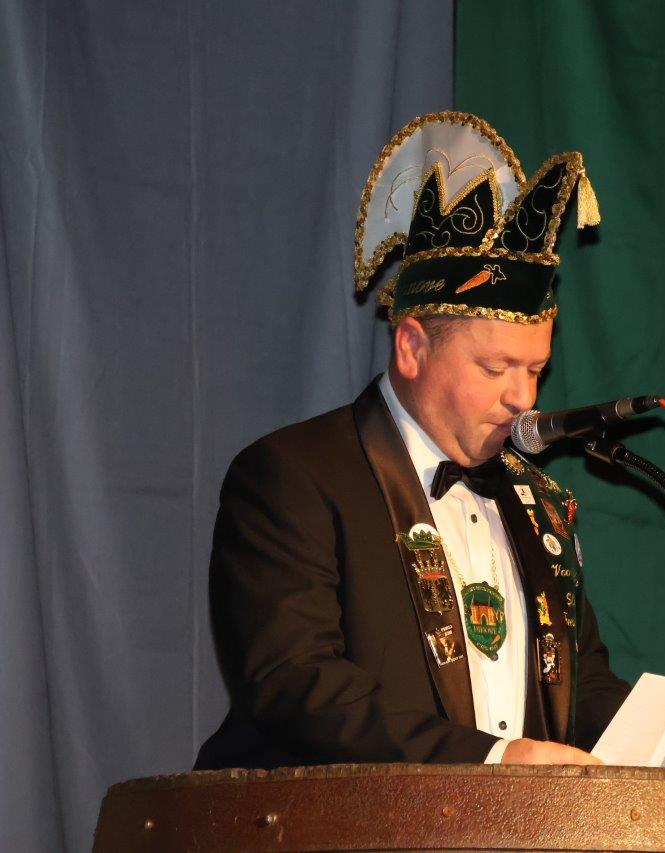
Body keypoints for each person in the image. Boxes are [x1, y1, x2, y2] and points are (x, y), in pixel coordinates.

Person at [194, 112, 632, 769]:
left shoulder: (541, 502)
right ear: (411, 347)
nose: (523, 397)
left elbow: (583, 685)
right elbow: (298, 684)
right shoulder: (292, 476)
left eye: (536, 369)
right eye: (495, 368)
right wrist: (491, 761)